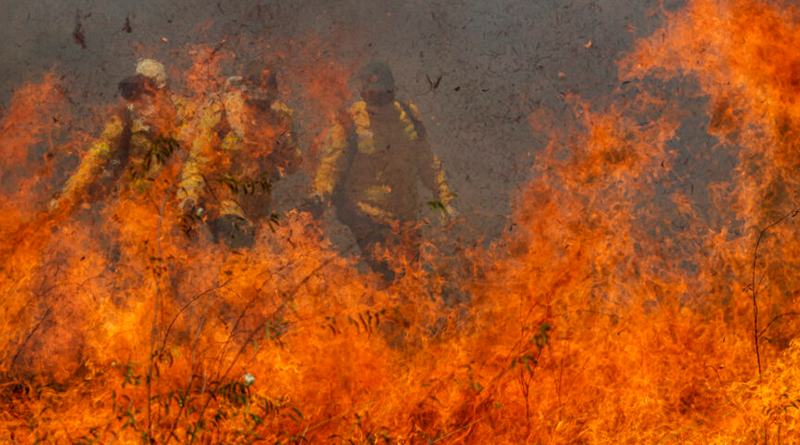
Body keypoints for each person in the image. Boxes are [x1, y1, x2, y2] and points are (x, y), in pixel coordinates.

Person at [310, 61, 456, 281]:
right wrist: (320, 192)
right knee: (387, 275)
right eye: (371, 94)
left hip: (405, 221)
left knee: (408, 282)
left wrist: (445, 199)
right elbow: (332, 165)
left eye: (382, 93)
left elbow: (427, 161)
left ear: (393, 90)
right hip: (366, 218)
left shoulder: (408, 115)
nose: (377, 100)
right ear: (362, 93)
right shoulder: (349, 122)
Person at [176, 61, 301, 248]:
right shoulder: (224, 114)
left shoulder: (280, 119)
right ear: (246, 91)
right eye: (258, 102)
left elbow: (292, 165)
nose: (261, 108)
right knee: (239, 245)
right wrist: (189, 196)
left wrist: (283, 149)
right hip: (223, 202)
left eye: (266, 102)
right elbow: (197, 161)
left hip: (257, 206)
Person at [49, 59, 188, 213]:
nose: (140, 101)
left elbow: (200, 157)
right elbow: (97, 156)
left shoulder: (185, 113)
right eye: (138, 94)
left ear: (164, 90)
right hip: (136, 204)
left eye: (148, 93)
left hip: (177, 202)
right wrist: (69, 193)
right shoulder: (126, 118)